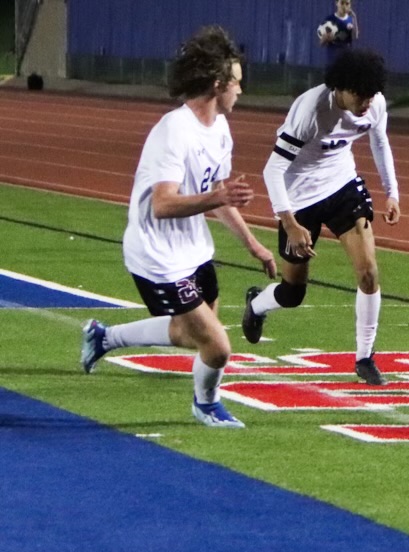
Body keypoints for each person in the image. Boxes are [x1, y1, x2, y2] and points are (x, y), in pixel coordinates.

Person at [80, 26, 277, 428]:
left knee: (190, 334)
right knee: (217, 347)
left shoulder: (220, 129)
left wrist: (253, 245)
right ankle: (206, 405)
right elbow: (164, 203)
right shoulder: (174, 131)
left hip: (193, 249)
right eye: (237, 83)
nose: (241, 91)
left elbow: (216, 194)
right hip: (157, 255)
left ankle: (104, 337)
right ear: (218, 83)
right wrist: (219, 198)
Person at [243, 47, 399, 386]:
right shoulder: (312, 110)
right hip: (298, 197)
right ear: (340, 87)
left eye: (371, 94)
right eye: (360, 94)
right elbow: (272, 170)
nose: (367, 102)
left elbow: (380, 142)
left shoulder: (375, 103)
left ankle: (364, 357)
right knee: (292, 293)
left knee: (369, 272)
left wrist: (392, 192)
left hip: (341, 184)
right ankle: (257, 305)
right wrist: (290, 223)